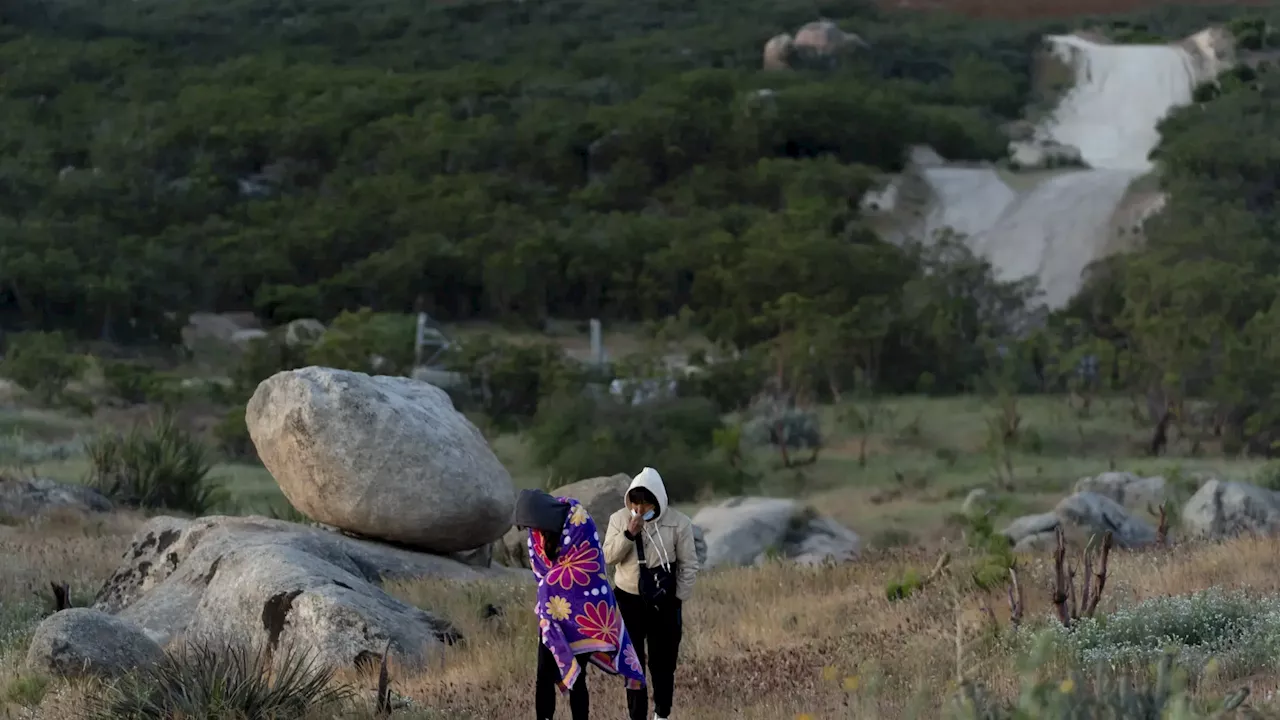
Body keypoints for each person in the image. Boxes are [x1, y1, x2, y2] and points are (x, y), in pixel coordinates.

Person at [513, 488, 647, 720]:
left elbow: (588, 566)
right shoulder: (535, 532)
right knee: (543, 674)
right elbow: (541, 571)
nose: (530, 531)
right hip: (553, 614)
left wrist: (550, 585)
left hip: (584, 609)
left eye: (531, 525)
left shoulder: (580, 521)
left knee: (579, 676)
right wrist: (550, 587)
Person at [603, 467, 699, 720]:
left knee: (663, 662)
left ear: (657, 500)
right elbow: (608, 557)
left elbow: (689, 564)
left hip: (664, 601)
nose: (640, 508)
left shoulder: (679, 523)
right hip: (628, 599)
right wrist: (629, 534)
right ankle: (637, 715)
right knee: (633, 664)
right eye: (635, 502)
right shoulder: (618, 519)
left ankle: (662, 713)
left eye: (646, 502)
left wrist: (678, 598)